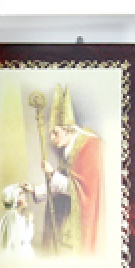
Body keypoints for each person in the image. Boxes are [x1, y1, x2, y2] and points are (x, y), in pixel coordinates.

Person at [21, 84, 102, 256]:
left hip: (84, 224)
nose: (52, 138)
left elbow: (79, 192)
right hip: (67, 218)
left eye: (55, 133)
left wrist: (52, 173)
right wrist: (35, 190)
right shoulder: (71, 148)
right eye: (50, 133)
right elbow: (60, 185)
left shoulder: (89, 147)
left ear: (68, 130)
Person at [0, 183, 35, 262]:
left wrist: (29, 222)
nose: (25, 197)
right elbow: (23, 239)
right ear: (14, 198)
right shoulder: (12, 215)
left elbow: (26, 238)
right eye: (21, 194)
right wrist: (30, 222)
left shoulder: (19, 217)